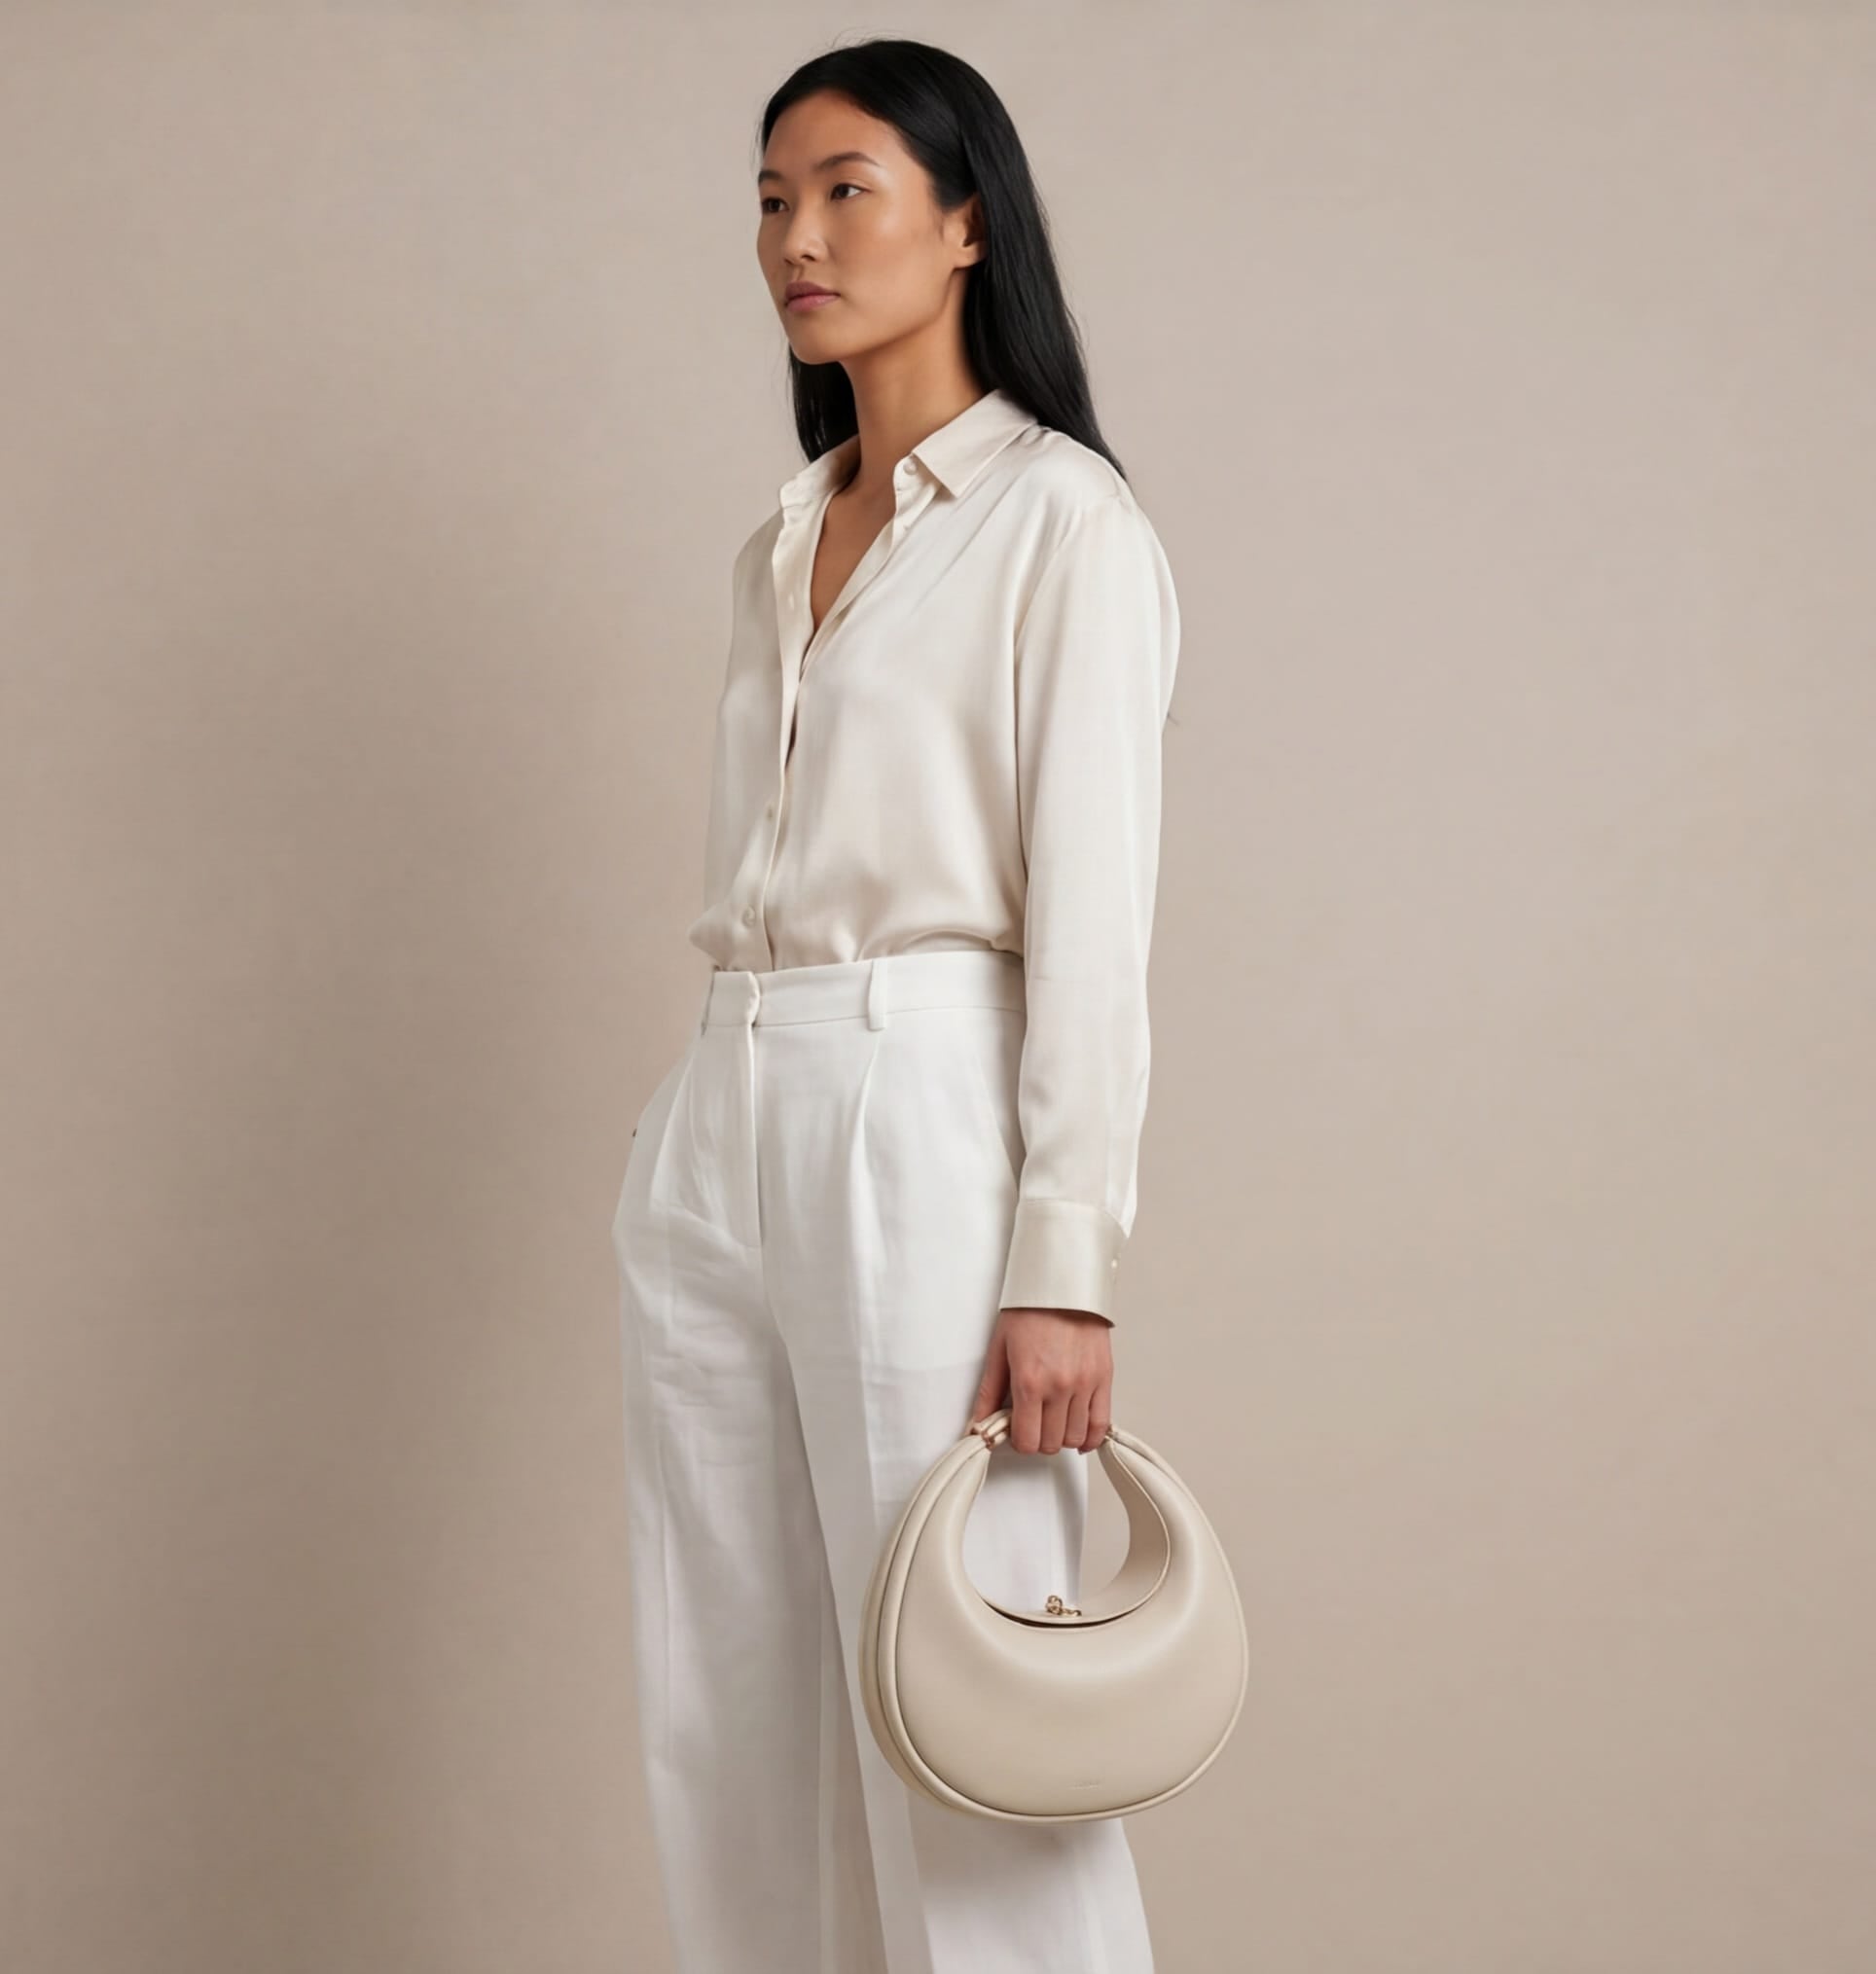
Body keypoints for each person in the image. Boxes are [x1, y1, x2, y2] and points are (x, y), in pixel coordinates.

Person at [611, 36, 1179, 1974]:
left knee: (966, 1704)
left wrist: (1066, 1254)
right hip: (723, 1107)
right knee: (729, 1700)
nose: (797, 233)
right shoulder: (781, 539)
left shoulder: (1059, 523)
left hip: (921, 1098)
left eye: (846, 186)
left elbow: (1092, 922)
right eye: (772, 197)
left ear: (963, 223)